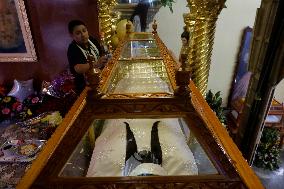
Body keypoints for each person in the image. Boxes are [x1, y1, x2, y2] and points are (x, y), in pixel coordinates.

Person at [67, 20, 108, 94]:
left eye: (84, 31)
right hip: (85, 87)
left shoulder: (92, 40)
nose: (83, 35)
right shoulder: (72, 49)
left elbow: (101, 53)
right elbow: (77, 68)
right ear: (72, 36)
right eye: (78, 33)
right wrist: (96, 64)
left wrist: (104, 59)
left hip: (99, 79)